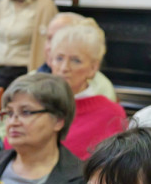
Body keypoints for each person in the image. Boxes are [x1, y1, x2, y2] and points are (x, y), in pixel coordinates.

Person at [48, 19, 126, 159]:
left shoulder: (110, 113)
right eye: (59, 58)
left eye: (75, 60)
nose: (64, 68)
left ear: (93, 68)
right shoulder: (37, 102)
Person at [34, 12, 116, 100]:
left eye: (75, 60)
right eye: (49, 38)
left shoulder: (101, 87)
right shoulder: (33, 77)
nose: (50, 47)